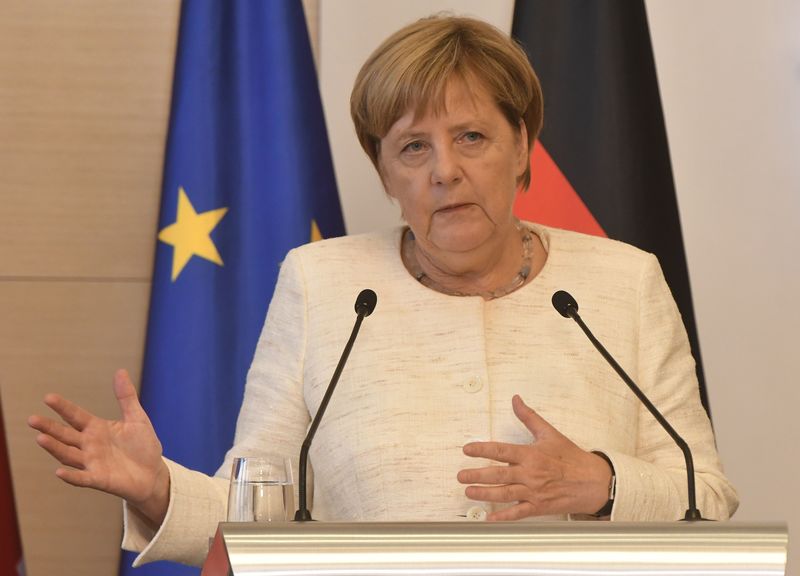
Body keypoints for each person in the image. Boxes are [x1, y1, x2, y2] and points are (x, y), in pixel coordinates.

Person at [28, 15, 739, 568]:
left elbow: (707, 495)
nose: (444, 172)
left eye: (471, 137)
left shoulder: (623, 281)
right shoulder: (323, 285)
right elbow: (260, 510)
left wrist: (602, 483)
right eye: (412, 147)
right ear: (384, 172)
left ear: (522, 146)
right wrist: (158, 489)